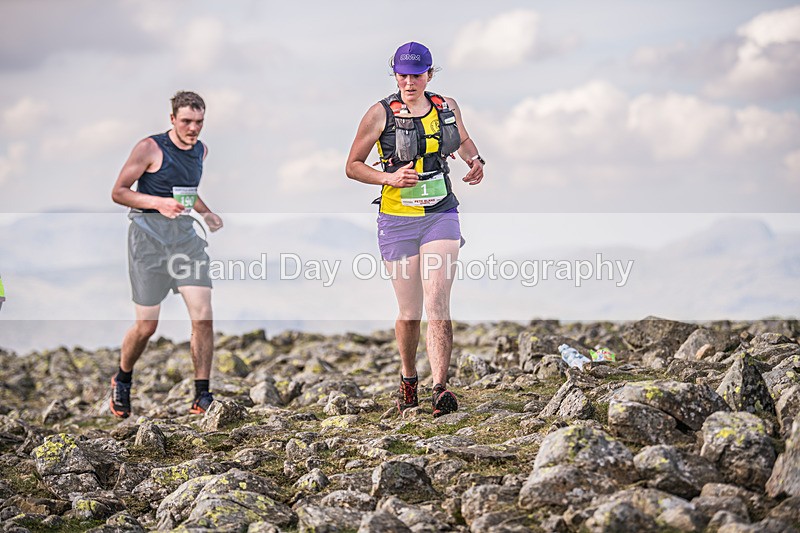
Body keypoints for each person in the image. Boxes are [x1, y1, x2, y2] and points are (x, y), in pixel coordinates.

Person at [346, 42, 485, 417]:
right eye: (402, 75)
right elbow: (353, 165)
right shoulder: (379, 115)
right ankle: (409, 380)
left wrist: (475, 160)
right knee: (410, 311)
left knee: (437, 299)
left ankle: (440, 388)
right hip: (397, 219)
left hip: (441, 213)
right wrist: (389, 176)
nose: (409, 82)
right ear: (395, 74)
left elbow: (465, 141)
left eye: (417, 75)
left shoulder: (446, 107)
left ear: (429, 74)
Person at [109, 91, 223, 418]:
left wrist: (207, 213)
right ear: (172, 119)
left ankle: (202, 395)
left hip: (185, 241)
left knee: (203, 314)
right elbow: (119, 192)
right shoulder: (150, 148)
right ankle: (123, 377)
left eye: (199, 122)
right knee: (147, 326)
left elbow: (187, 192)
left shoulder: (201, 150)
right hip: (147, 241)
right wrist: (157, 203)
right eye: (186, 121)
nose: (193, 128)